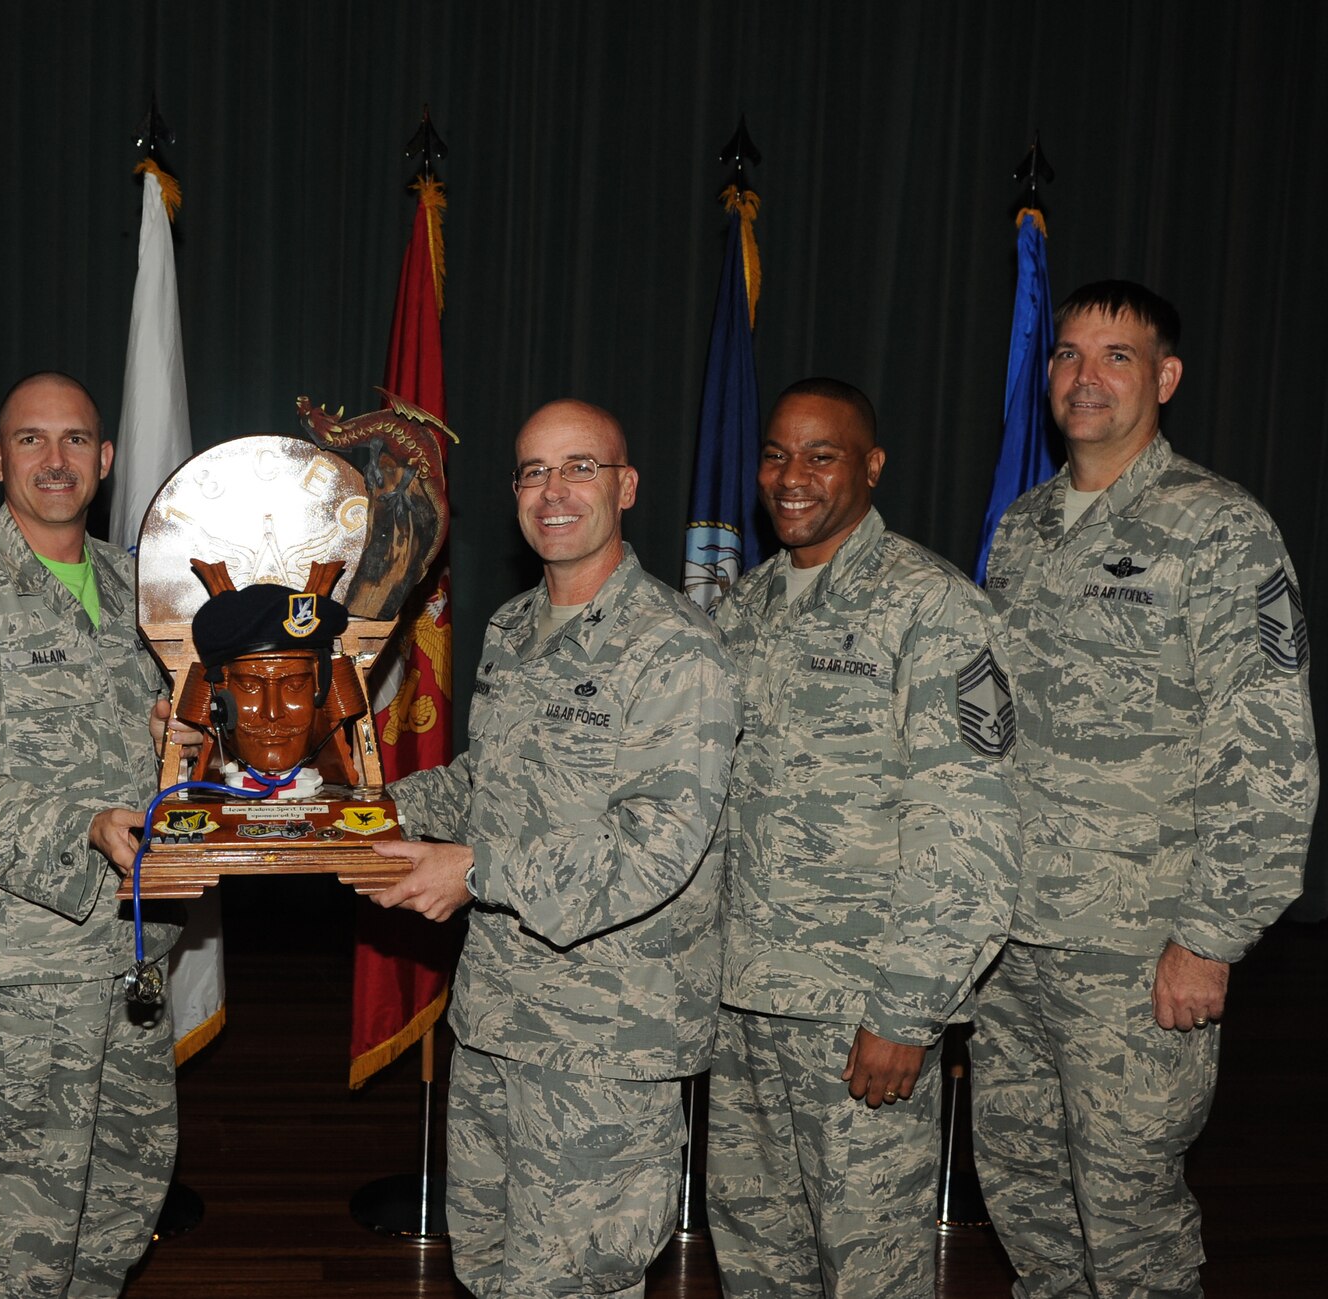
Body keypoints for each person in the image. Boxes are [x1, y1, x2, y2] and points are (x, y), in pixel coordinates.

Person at [975, 280, 1319, 1297]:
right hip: (1010, 939)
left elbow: (1265, 745)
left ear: (1162, 377)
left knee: (1130, 1222)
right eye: (1067, 354)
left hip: (1135, 950)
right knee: (1026, 1199)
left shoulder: (1218, 529)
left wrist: (1211, 935)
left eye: (1114, 356)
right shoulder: (1023, 527)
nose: (1083, 376)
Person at [368, 398, 739, 1299]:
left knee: (572, 1283)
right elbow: (483, 784)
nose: (553, 491)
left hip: (605, 1047)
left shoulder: (675, 649)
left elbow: (658, 847)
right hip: (500, 1018)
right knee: (491, 1272)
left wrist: (475, 870)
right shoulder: (512, 628)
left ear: (627, 486)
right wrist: (366, 812)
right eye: (533, 471)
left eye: (579, 467)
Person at [704, 378, 1021, 1297]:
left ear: (871, 466)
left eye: (821, 455)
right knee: (760, 1265)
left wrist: (908, 1012)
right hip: (741, 1004)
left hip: (859, 1017)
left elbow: (971, 831)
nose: (790, 476)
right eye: (775, 454)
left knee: (871, 1271)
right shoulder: (744, 608)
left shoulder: (933, 608)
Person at [0, 371, 182, 1298]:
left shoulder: (138, 584)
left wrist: (184, 747)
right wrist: (83, 826)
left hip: (131, 949)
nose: (54, 460)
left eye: (74, 441)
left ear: (105, 460)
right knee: (18, 1230)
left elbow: (172, 742)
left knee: (119, 1202)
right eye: (31, 440)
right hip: (23, 961)